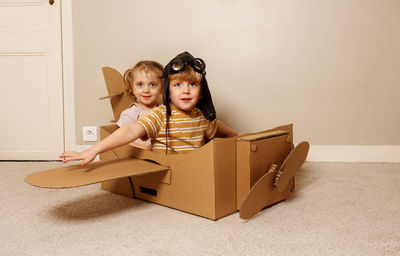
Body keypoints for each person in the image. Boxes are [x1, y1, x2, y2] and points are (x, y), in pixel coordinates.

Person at [60, 51, 238, 165]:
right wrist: (92, 150)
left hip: (195, 169)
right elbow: (130, 131)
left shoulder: (201, 117)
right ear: (167, 91)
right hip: (168, 171)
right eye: (177, 85)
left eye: (192, 85)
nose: (185, 91)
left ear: (201, 93)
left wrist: (237, 136)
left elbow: (216, 126)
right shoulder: (160, 114)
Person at [117, 60, 163, 150]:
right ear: (133, 87)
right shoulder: (129, 114)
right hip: (135, 156)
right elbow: (121, 140)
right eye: (140, 84)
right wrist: (143, 148)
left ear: (161, 89)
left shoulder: (165, 112)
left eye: (152, 85)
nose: (146, 90)